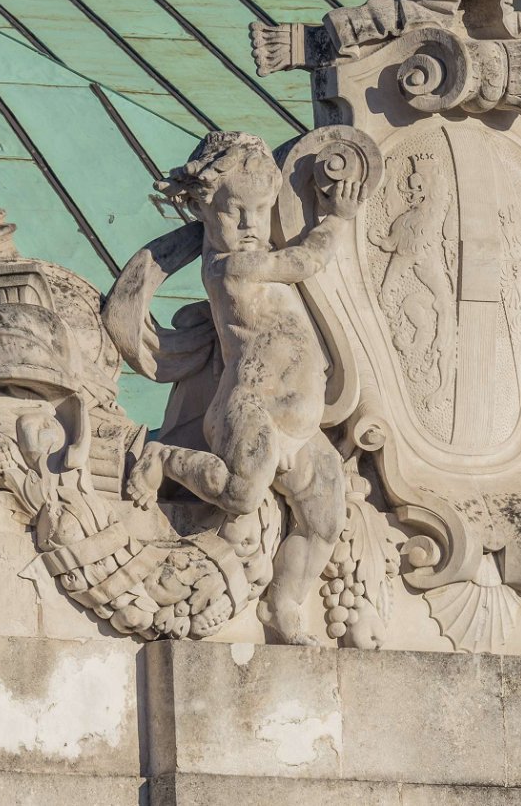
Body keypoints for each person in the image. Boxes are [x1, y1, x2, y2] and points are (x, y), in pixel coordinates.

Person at [128, 131, 362, 646]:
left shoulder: (251, 250)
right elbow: (305, 262)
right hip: (251, 410)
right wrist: (338, 218)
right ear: (204, 209)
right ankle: (164, 459)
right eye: (237, 213)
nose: (253, 226)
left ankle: (283, 603)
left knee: (324, 519)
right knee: (241, 492)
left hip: (300, 425)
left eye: (262, 210)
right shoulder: (229, 267)